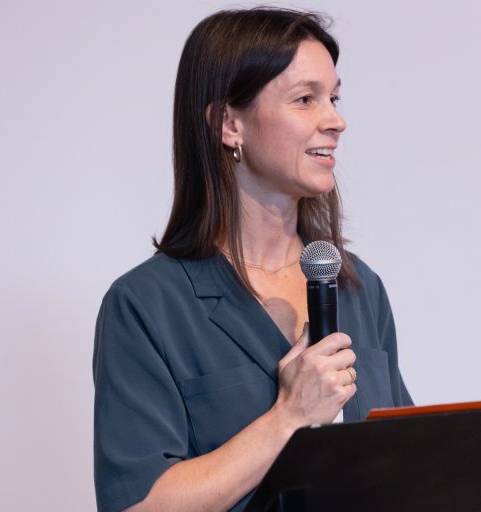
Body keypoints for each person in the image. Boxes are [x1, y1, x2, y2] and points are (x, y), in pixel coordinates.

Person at [92, 8, 412, 512]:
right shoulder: (146, 306)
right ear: (228, 123)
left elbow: (405, 465)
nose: (336, 120)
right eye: (305, 99)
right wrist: (289, 418)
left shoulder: (358, 287)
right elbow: (139, 504)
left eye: (334, 98)